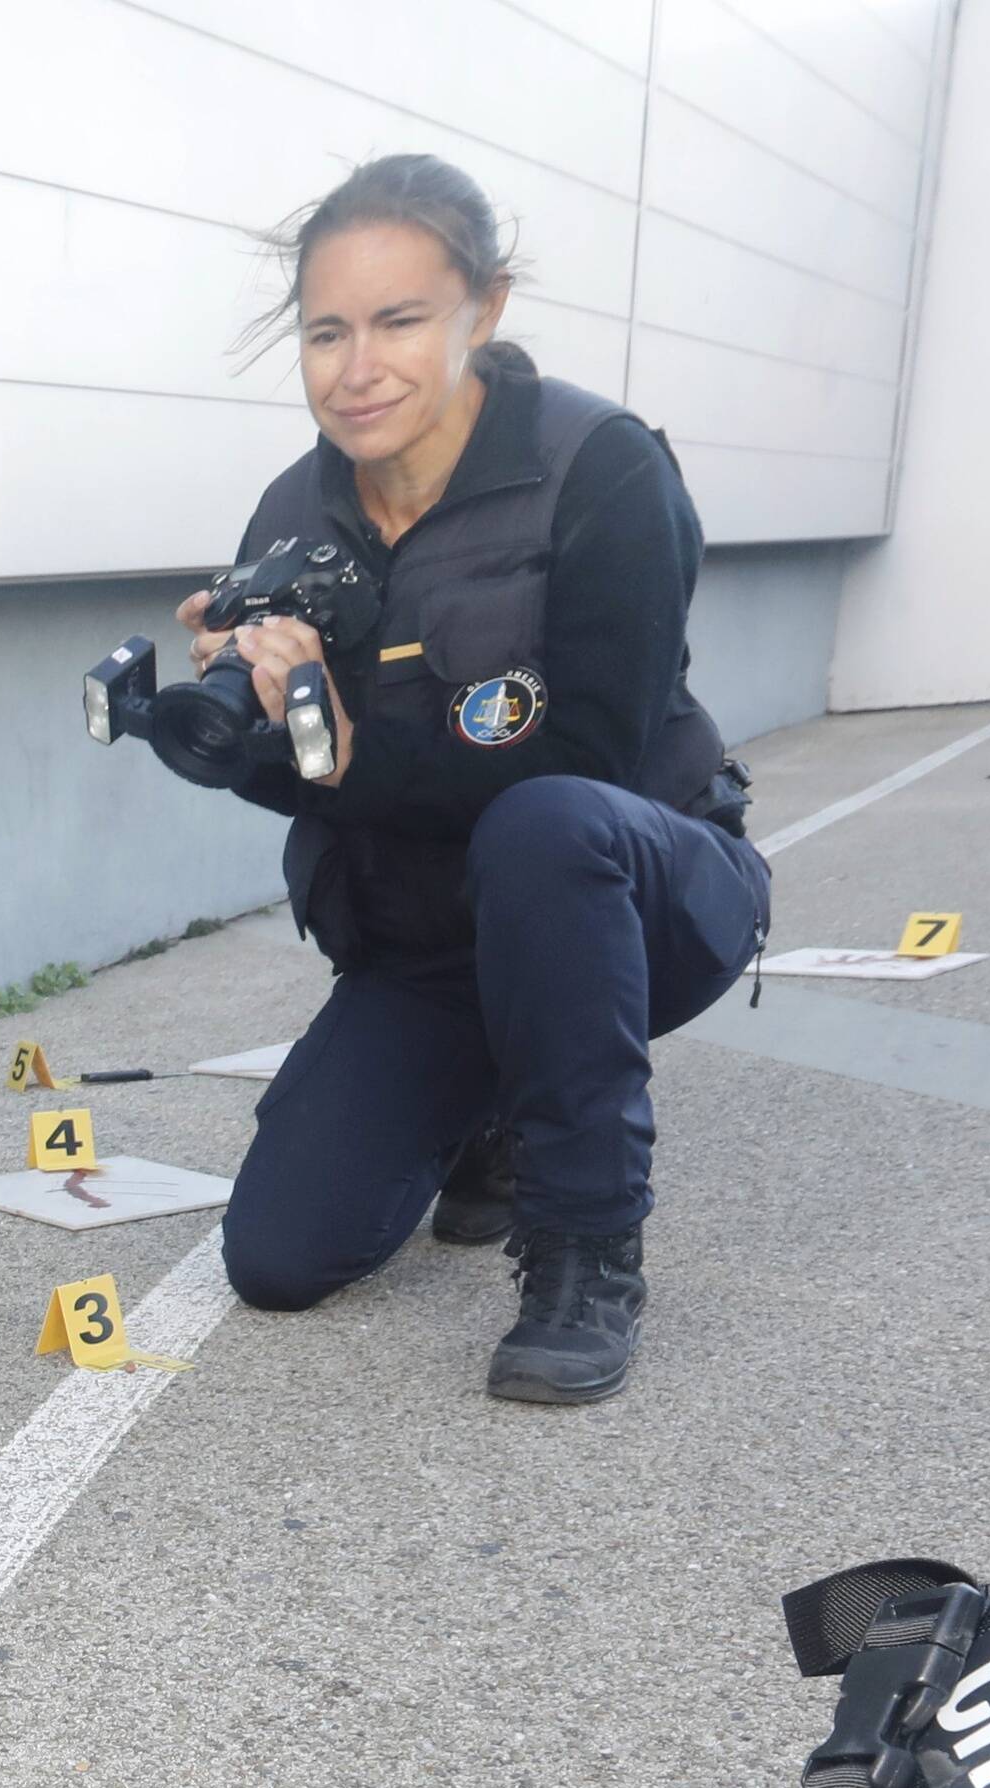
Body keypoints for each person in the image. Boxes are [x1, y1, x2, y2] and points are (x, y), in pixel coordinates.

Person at [184, 156, 763, 1408]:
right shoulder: (293, 511)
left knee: (543, 823)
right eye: (325, 332)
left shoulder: (599, 467)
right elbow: (317, 782)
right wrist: (245, 730)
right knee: (277, 1257)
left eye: (397, 321)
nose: (356, 368)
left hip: (634, 897)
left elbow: (586, 761)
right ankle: (489, 1100)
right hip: (433, 948)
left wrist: (342, 749)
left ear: (482, 309)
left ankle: (584, 1245)